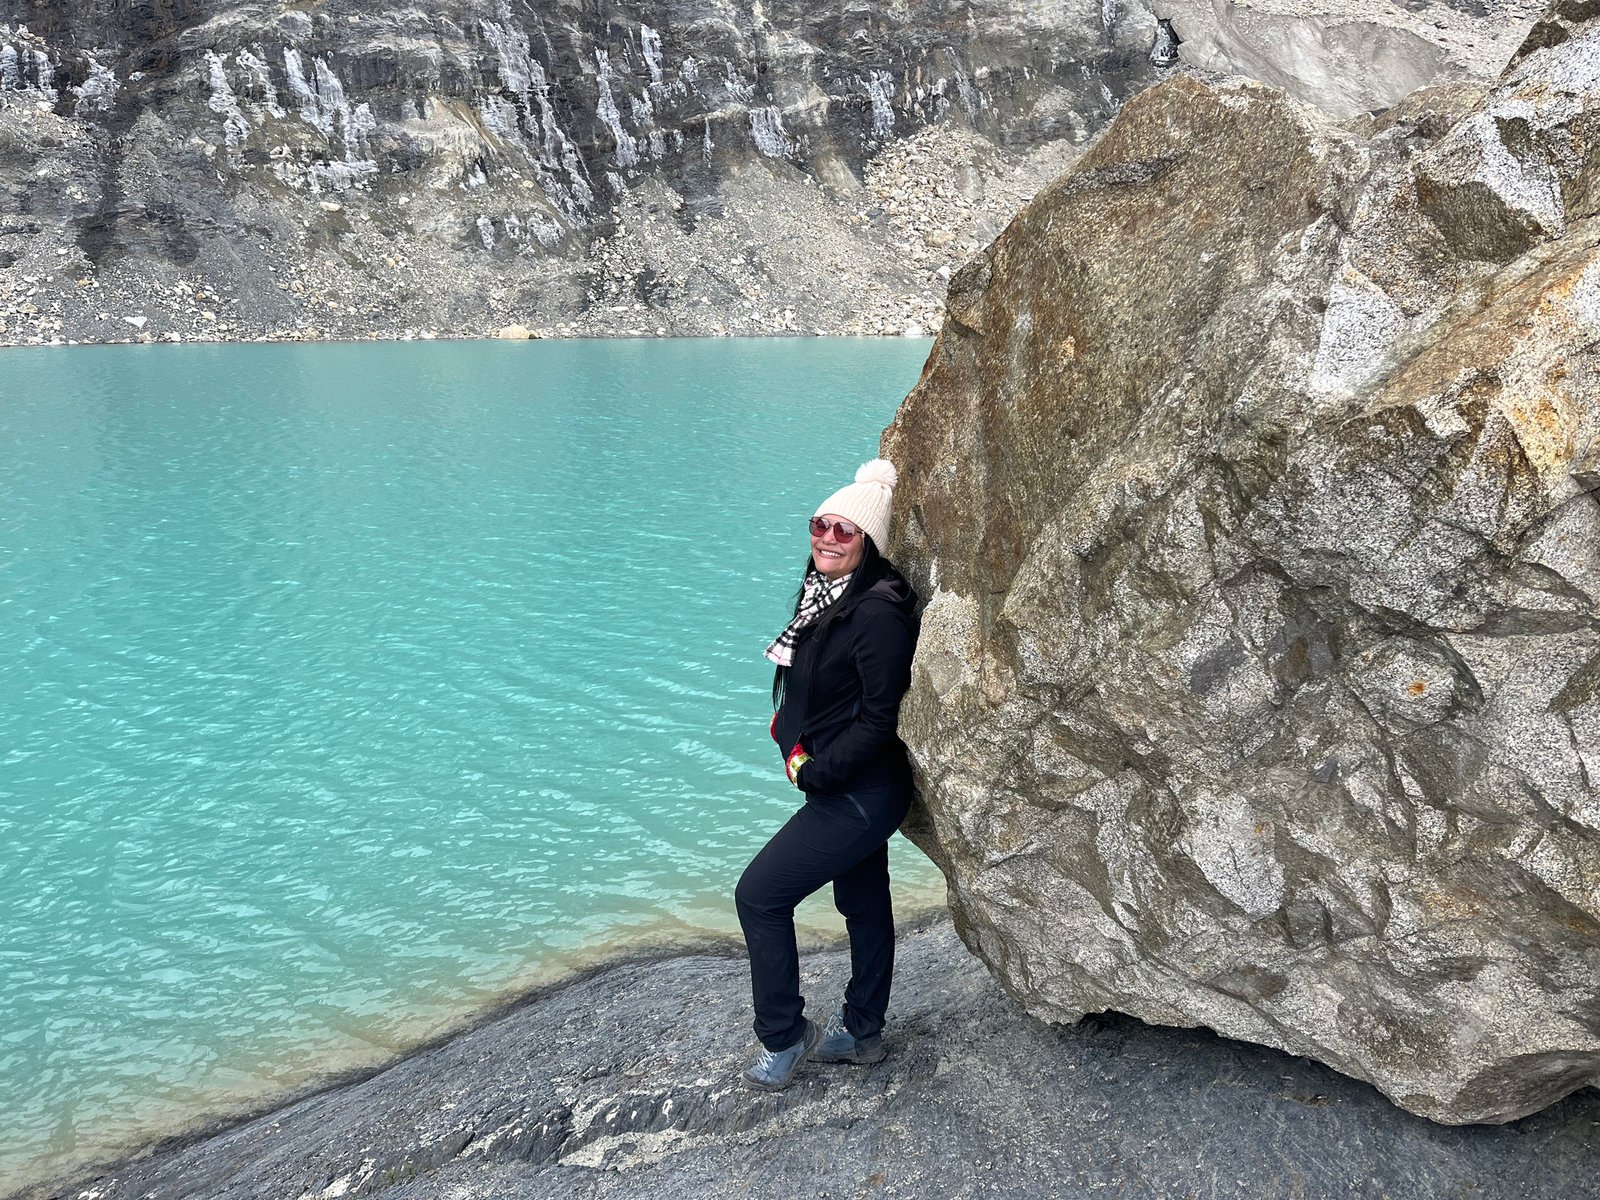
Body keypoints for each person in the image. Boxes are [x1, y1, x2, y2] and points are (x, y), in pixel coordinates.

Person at [735, 458, 921, 1091]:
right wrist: (788, 733)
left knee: (759, 896)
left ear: (869, 543)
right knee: (863, 903)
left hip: (860, 793)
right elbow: (816, 691)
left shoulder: (877, 614)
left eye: (845, 530)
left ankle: (784, 1036)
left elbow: (880, 719)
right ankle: (863, 1032)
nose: (828, 539)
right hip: (846, 786)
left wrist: (815, 772)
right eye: (821, 525)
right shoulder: (827, 596)